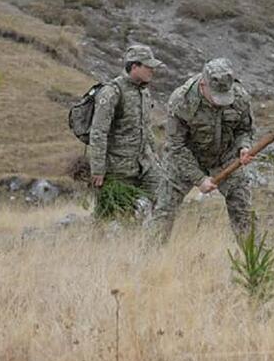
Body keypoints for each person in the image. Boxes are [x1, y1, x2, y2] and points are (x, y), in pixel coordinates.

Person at [149, 58, 256, 243]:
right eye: (215, 95)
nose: (220, 102)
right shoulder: (181, 101)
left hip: (225, 157)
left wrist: (243, 146)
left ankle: (254, 262)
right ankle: (148, 260)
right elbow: (176, 146)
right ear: (203, 84)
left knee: (243, 210)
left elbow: (244, 129)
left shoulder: (240, 97)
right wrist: (199, 179)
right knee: (163, 210)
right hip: (186, 158)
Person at [87, 44, 164, 199]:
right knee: (116, 216)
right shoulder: (111, 93)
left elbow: (146, 126)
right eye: (148, 67)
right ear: (135, 66)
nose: (152, 71)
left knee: (163, 200)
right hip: (118, 170)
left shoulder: (144, 92)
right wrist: (98, 170)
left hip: (145, 165)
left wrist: (154, 154)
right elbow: (98, 133)